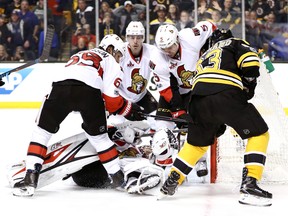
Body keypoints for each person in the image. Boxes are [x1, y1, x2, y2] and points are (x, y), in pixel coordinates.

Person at [12, 34, 145, 197]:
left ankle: (30, 178)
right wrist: (129, 109)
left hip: (60, 88)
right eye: (118, 55)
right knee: (99, 138)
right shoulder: (112, 63)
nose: (118, 59)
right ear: (110, 49)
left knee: (42, 132)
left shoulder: (78, 54)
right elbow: (111, 101)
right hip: (89, 92)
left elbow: (66, 81)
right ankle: (117, 177)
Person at [158, 29, 273, 207]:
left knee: (196, 145)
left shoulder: (204, 55)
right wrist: (249, 85)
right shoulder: (235, 43)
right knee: (259, 135)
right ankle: (250, 182)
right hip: (225, 93)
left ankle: (172, 180)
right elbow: (250, 62)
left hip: (196, 100)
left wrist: (215, 120)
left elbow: (203, 82)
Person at [149, 21, 218, 178]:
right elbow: (167, 90)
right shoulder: (156, 58)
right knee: (161, 127)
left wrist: (216, 42)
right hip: (175, 93)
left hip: (196, 90)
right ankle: (162, 164)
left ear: (177, 39)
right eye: (164, 48)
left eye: (170, 46)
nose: (168, 51)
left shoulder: (190, 37)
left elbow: (210, 25)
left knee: (196, 126)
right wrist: (178, 111)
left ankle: (201, 159)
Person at [108, 21, 158, 129]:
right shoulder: (120, 52)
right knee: (114, 125)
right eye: (132, 37)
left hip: (142, 96)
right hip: (122, 97)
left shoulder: (152, 51)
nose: (135, 41)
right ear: (127, 38)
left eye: (139, 37)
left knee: (158, 122)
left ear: (143, 38)